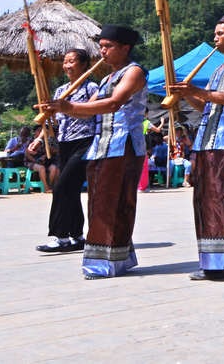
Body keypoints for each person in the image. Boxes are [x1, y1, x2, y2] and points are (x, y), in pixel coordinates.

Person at [41, 25, 148, 280]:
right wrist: (58, 108)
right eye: (100, 46)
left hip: (125, 145)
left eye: (108, 46)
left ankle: (103, 263)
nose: (102, 51)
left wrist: (69, 105)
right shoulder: (107, 78)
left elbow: (113, 103)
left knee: (114, 203)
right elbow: (88, 108)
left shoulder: (134, 72)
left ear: (125, 48)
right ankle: (116, 259)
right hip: (103, 145)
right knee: (100, 202)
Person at [169, 12, 224, 280]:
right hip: (208, 139)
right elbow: (207, 104)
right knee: (206, 198)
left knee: (219, 199)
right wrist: (185, 94)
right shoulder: (220, 67)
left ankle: (218, 264)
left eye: (220, 34)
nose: (215, 38)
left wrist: (194, 90)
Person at [37, 49, 99, 253]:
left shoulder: (92, 88)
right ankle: (78, 236)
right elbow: (54, 120)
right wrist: (38, 139)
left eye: (72, 61)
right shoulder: (60, 90)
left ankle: (61, 237)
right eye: (65, 62)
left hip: (85, 142)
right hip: (64, 143)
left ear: (84, 65)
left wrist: (67, 107)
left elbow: (88, 114)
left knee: (61, 188)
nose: (67, 65)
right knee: (70, 190)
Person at [24, 124, 60, 192]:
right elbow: (27, 155)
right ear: (34, 132)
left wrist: (44, 157)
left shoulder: (45, 142)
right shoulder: (30, 142)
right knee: (41, 168)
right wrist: (35, 160)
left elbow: (48, 152)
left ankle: (50, 185)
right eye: (39, 131)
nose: (40, 133)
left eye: (42, 131)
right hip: (31, 162)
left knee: (54, 168)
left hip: (43, 162)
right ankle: (46, 187)